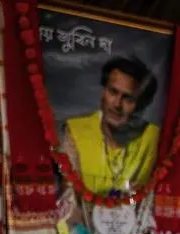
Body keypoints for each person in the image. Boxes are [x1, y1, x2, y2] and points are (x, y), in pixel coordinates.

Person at [62, 56, 160, 195]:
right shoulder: (76, 130)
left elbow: (148, 200)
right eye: (113, 92)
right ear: (103, 91)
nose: (117, 104)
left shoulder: (154, 138)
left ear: (142, 104)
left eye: (128, 98)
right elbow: (68, 194)